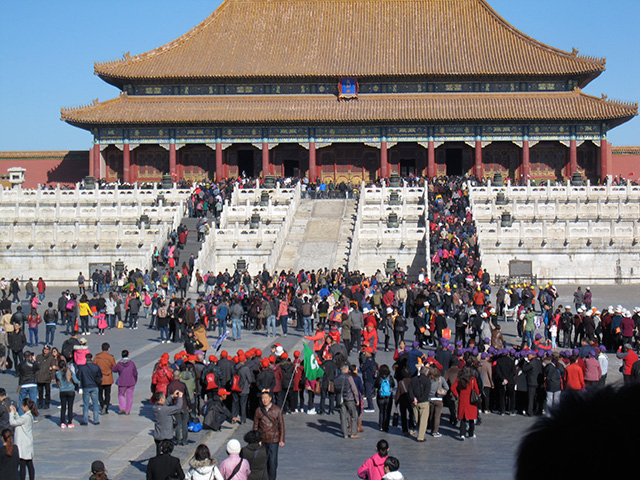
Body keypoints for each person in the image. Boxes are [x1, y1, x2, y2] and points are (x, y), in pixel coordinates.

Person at [253, 390, 284, 480]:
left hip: (273, 439)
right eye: (263, 398)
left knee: (272, 461)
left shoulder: (277, 410)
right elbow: (255, 425)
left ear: (270, 399)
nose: (264, 400)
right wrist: (256, 439)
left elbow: (281, 425)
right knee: (263, 461)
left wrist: (281, 439)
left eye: (266, 398)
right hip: (262, 439)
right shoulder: (258, 410)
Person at [9, 398, 37, 480]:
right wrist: (15, 413)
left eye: (22, 405)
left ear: (26, 406)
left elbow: (13, 422)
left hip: (23, 444)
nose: (21, 407)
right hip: (27, 443)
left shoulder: (26, 417)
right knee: (29, 463)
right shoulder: (29, 416)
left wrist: (11, 413)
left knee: (23, 464)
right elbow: (20, 420)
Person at [451, 363, 481, 440]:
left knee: (463, 418)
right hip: (471, 400)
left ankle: (462, 434)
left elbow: (453, 388)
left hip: (463, 399)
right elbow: (476, 389)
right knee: (471, 418)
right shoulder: (473, 379)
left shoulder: (459, 378)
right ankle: (471, 433)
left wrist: (456, 395)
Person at [152, 390, 183, 455]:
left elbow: (164, 404)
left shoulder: (155, 407)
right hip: (166, 437)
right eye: (164, 398)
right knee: (166, 454)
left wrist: (172, 396)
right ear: (161, 399)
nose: (165, 399)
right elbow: (178, 407)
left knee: (158, 454)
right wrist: (180, 398)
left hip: (158, 436)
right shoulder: (165, 410)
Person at [334, 363, 360, 438]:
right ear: (345, 369)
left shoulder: (336, 378)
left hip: (341, 399)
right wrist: (357, 399)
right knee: (352, 415)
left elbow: (335, 389)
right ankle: (353, 432)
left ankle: (344, 433)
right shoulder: (349, 377)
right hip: (349, 398)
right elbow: (354, 388)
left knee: (342, 416)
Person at [77, 353, 102, 426]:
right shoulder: (96, 367)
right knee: (95, 404)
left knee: (86, 404)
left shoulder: (82, 368)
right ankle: (96, 420)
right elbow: (100, 376)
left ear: (85, 358)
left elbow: (78, 377)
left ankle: (85, 420)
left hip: (86, 386)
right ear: (91, 358)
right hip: (94, 386)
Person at [408, 366, 431, 442]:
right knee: (423, 420)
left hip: (414, 402)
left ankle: (419, 433)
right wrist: (419, 399)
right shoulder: (427, 381)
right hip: (423, 402)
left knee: (417, 420)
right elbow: (426, 393)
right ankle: (420, 437)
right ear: (427, 372)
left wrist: (413, 399)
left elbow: (410, 390)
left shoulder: (414, 379)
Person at [112, 350, 138, 415]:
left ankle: (122, 407)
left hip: (122, 382)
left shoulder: (119, 363)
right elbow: (135, 373)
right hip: (131, 382)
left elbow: (114, 369)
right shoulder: (131, 363)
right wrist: (135, 380)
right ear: (128, 354)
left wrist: (111, 365)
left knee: (121, 394)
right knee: (129, 396)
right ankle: (127, 410)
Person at [56, 358, 79, 428]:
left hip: (62, 391)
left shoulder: (57, 373)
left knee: (63, 407)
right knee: (70, 407)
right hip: (70, 390)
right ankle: (69, 422)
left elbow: (58, 383)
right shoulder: (70, 372)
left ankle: (62, 422)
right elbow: (76, 381)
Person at [94, 343, 116, 415]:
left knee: (100, 393)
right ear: (108, 349)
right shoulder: (110, 357)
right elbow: (114, 366)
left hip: (99, 378)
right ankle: (106, 406)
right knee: (107, 394)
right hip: (108, 377)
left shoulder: (97, 356)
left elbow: (94, 365)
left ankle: (102, 404)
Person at [373, 364, 395, 432]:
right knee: (387, 411)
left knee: (381, 411)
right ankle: (386, 426)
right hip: (389, 396)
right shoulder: (390, 377)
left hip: (380, 396)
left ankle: (381, 426)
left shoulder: (379, 377)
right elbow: (393, 385)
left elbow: (375, 385)